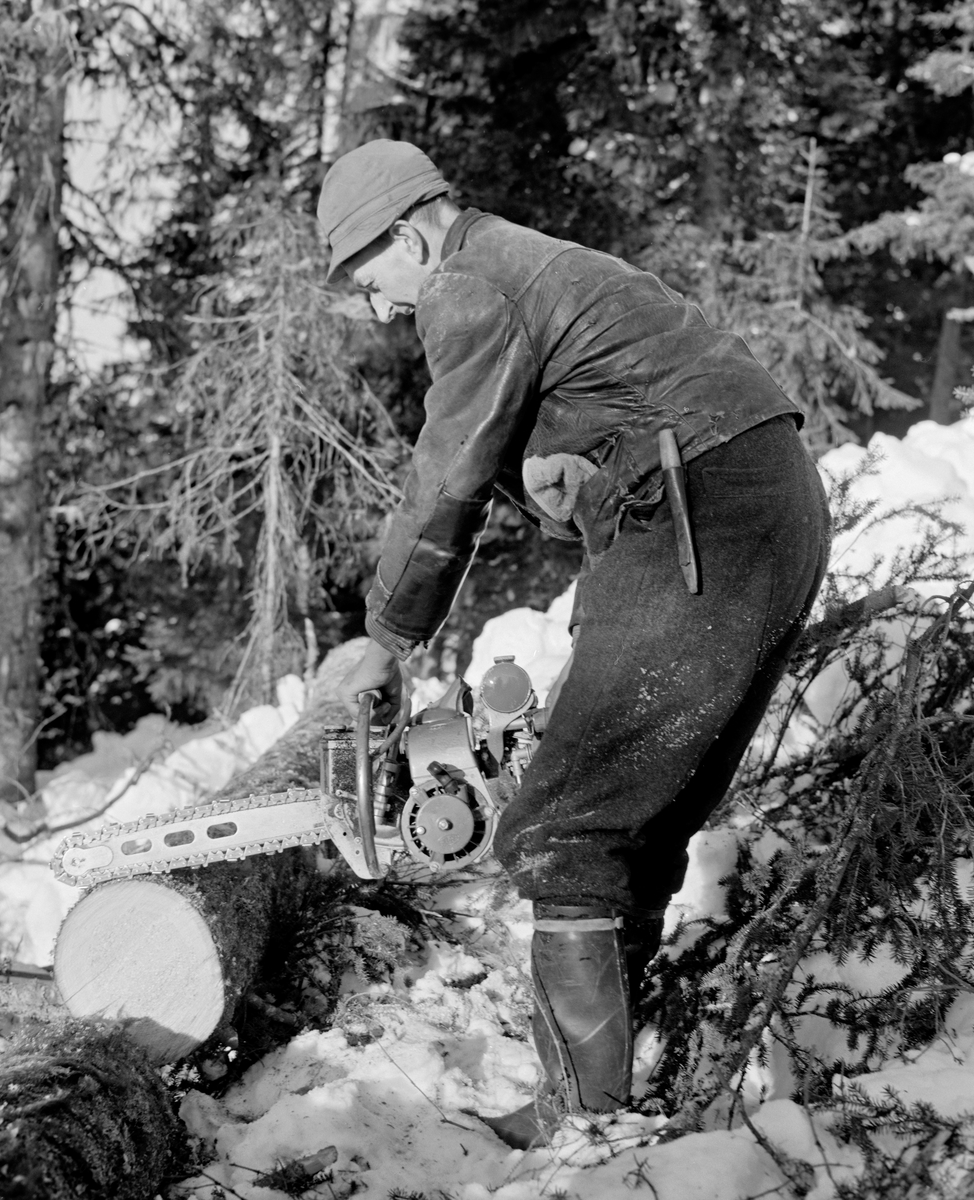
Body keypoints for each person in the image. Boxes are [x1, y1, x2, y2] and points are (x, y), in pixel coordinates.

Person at [318, 139, 830, 1147]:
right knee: (632, 821)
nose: (379, 309)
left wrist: (386, 635)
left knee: (566, 821)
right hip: (760, 498)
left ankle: (582, 1124)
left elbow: (446, 473)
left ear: (410, 229)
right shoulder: (529, 268)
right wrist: (575, 487)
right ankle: (595, 1103)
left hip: (706, 506)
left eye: (370, 279)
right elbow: (599, 434)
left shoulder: (472, 279)